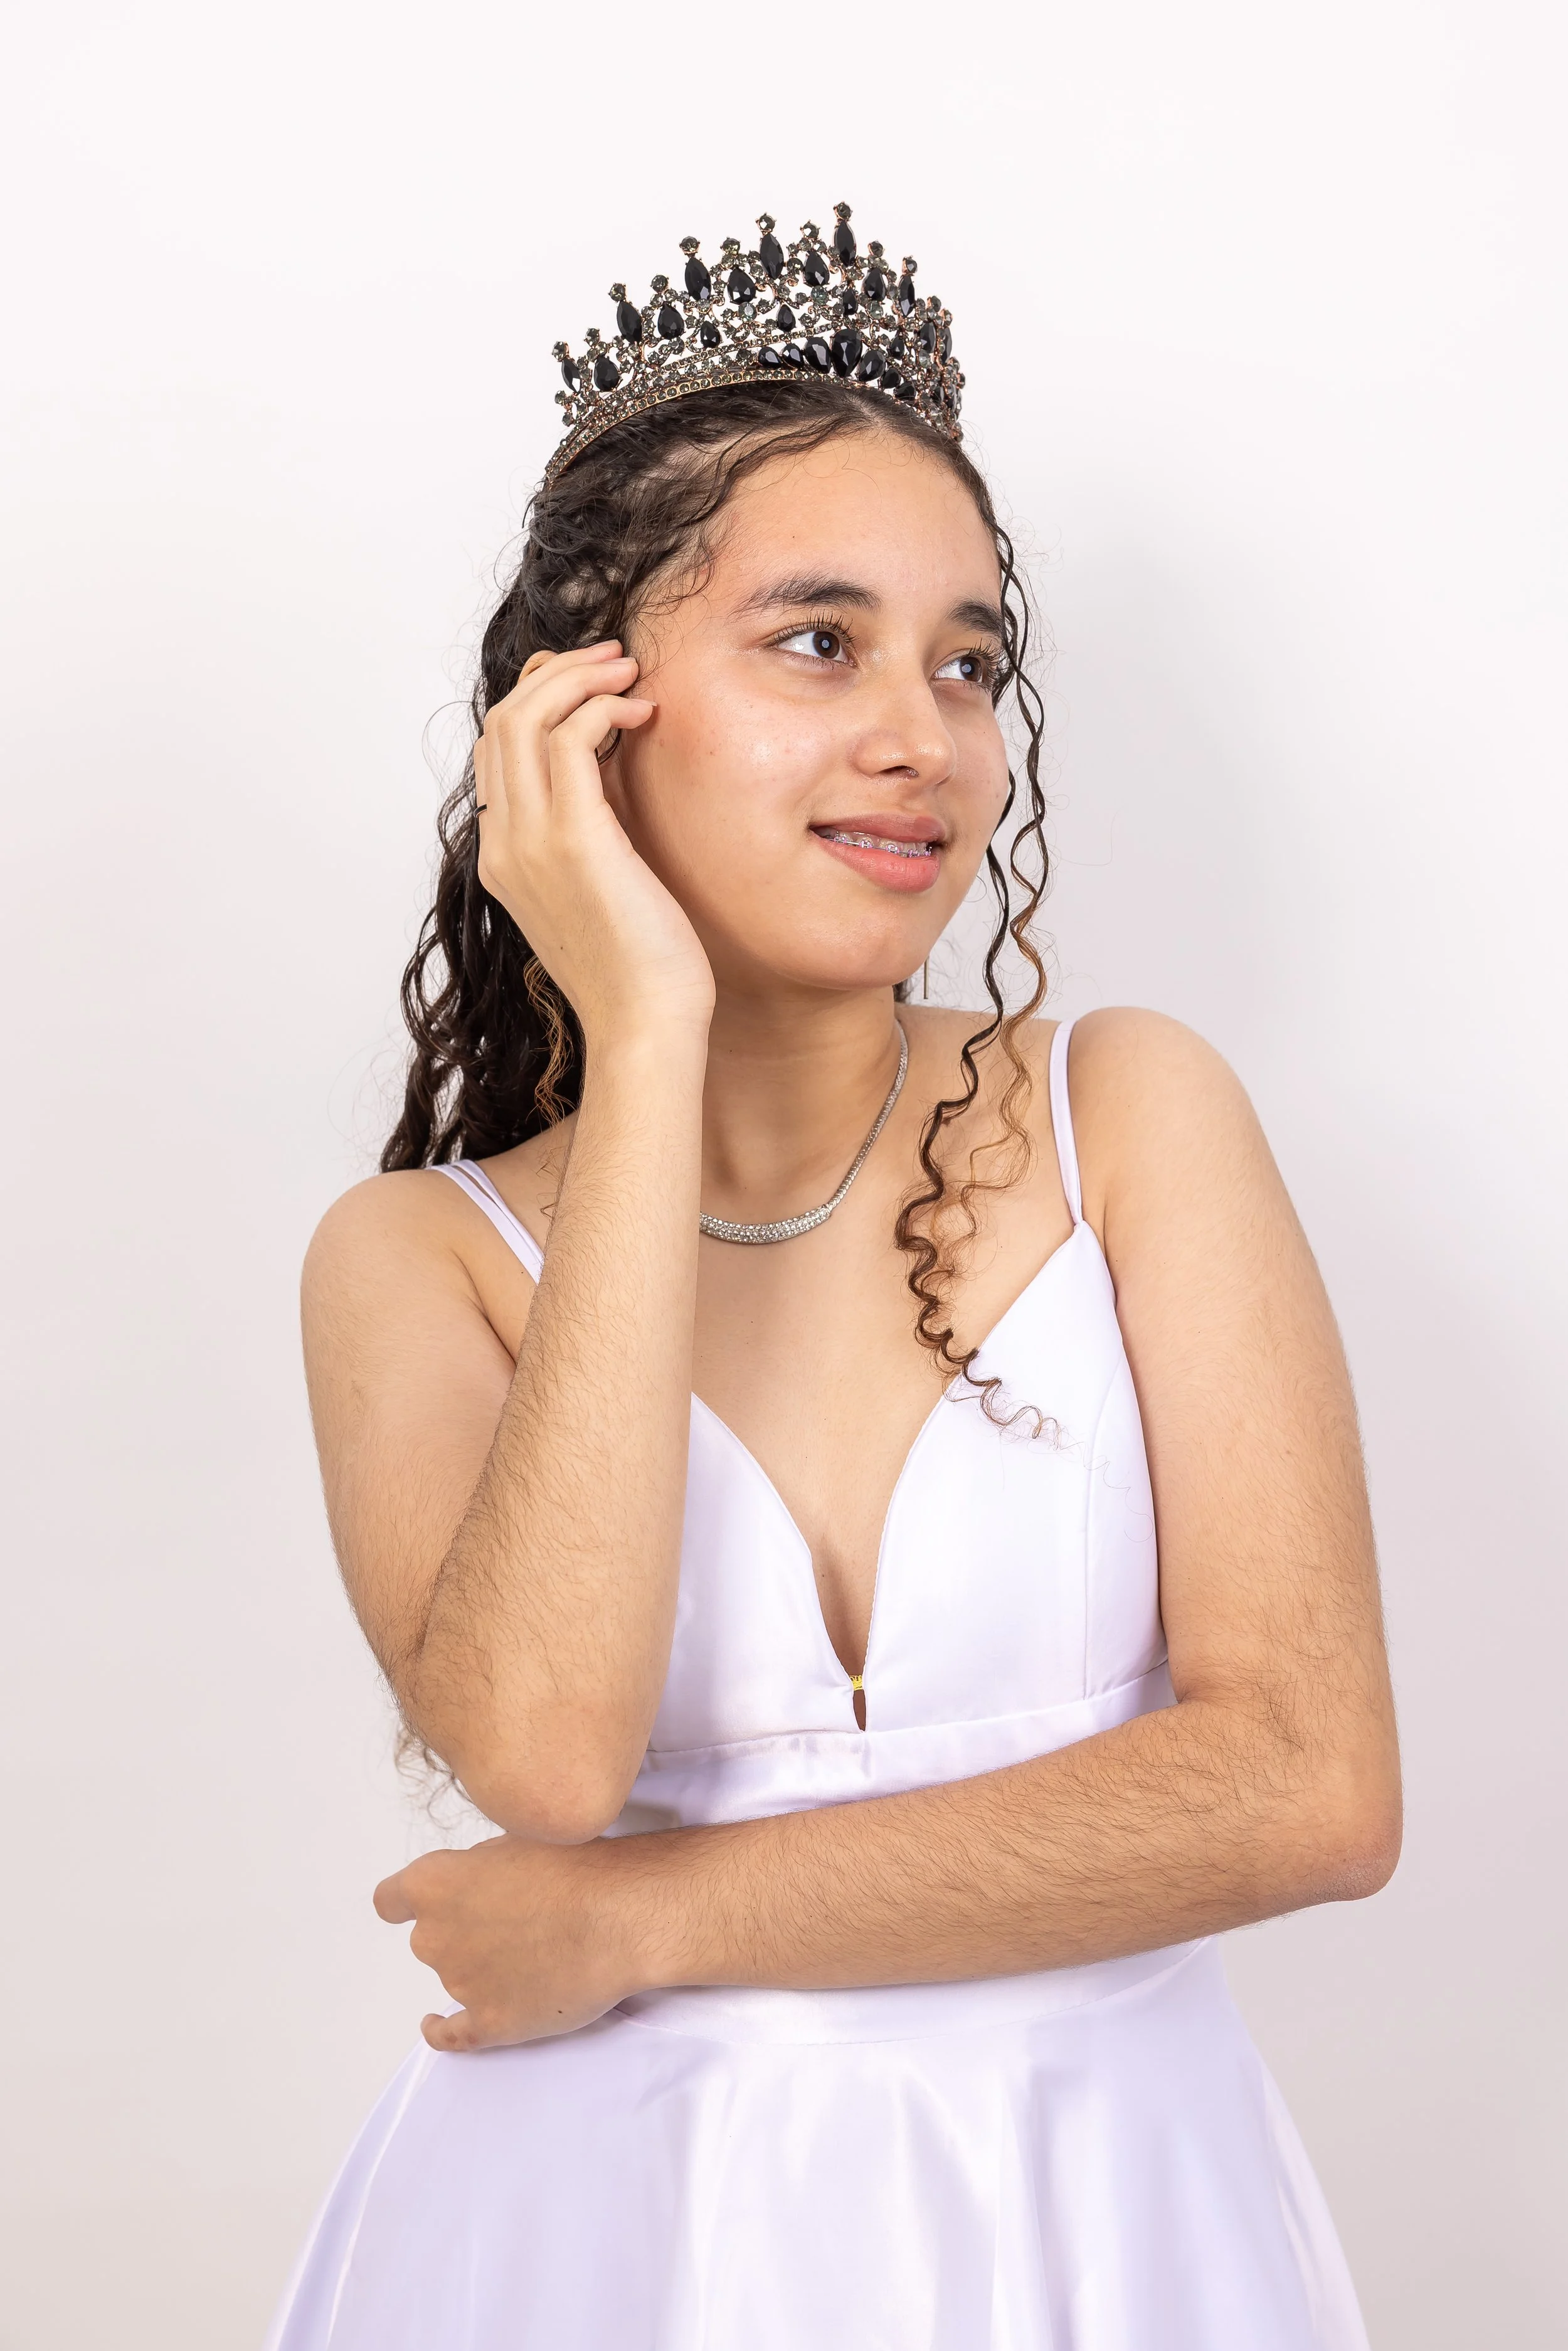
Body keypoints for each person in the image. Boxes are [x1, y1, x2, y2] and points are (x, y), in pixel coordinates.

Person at [268, 206, 1400, 2350]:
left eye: (966, 661)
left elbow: (1308, 1786)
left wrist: (638, 1926)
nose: (923, 734)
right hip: (599, 2249)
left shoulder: (1129, 1117)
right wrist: (650, 1023)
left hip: (1115, 2231)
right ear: (589, 712)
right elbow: (546, 1753)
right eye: (818, 641)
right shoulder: (416, 1257)